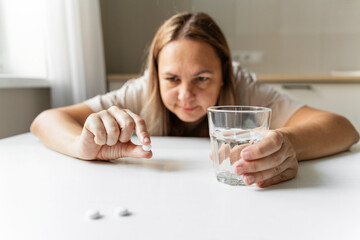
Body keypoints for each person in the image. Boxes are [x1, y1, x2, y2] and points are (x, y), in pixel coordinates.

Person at [31, 12, 359, 187]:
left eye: (202, 78)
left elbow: (343, 128)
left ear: (225, 74)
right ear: (156, 76)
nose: (186, 95)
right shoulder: (141, 90)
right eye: (172, 79)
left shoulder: (244, 90)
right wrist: (80, 143)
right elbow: (45, 120)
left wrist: (288, 141)